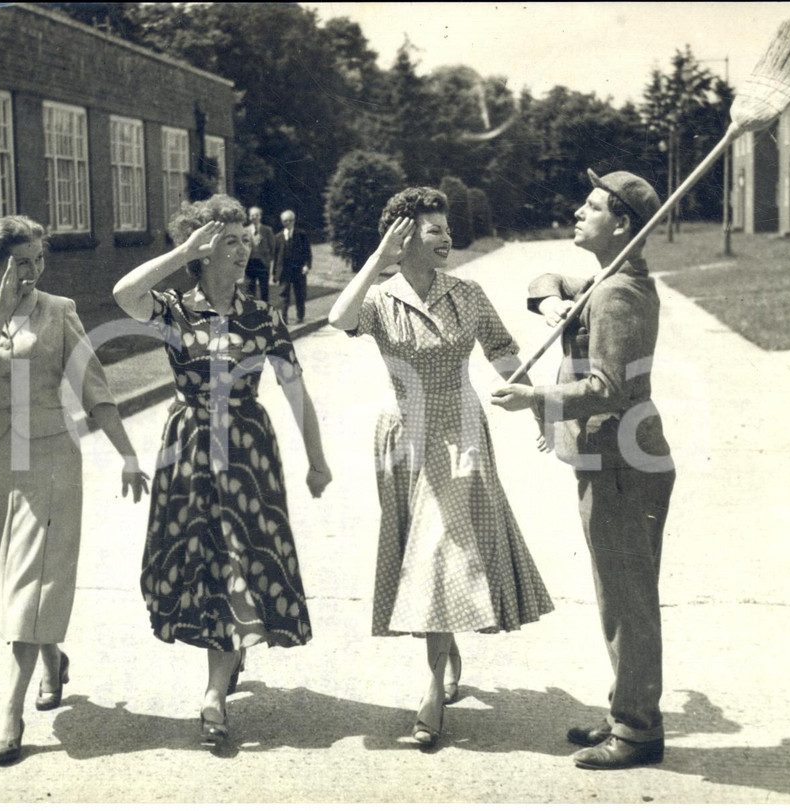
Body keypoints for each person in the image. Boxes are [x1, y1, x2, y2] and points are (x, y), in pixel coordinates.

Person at [328, 187, 554, 748]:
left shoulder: (468, 293)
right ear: (404, 240)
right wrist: (378, 260)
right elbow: (338, 318)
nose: (446, 236)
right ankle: (446, 647)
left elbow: (504, 353)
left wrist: (539, 410)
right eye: (433, 229)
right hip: (404, 436)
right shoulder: (380, 299)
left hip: (461, 435)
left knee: (438, 550)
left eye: (446, 227)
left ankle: (431, 692)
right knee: (426, 552)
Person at [112, 194, 332, 744]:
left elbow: (295, 391)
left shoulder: (264, 316)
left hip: (247, 452)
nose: (242, 249)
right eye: (228, 241)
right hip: (188, 450)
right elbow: (123, 294)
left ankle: (213, 695)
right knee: (204, 558)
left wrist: (318, 460)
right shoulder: (175, 310)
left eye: (243, 239)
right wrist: (182, 250)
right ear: (204, 251)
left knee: (237, 556)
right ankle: (225, 660)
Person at [0, 215, 149, 765]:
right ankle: (52, 658)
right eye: (23, 261)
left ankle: (9, 713)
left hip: (51, 456)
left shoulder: (61, 312)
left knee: (35, 580)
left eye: (40, 259)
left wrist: (128, 454)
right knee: (12, 581)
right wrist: (2, 313)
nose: (34, 270)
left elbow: (95, 388)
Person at [491, 169, 676, 770]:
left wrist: (536, 399)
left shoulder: (617, 292)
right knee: (618, 595)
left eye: (591, 206)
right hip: (618, 459)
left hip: (623, 461)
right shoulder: (610, 277)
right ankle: (626, 710)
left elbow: (608, 387)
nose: (577, 211)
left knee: (627, 602)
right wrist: (554, 303)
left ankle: (637, 731)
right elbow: (545, 278)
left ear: (620, 224)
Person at [272, 209, 312, 324]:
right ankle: (284, 318)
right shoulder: (278, 237)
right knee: (284, 295)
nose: (288, 223)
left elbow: (307, 252)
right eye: (285, 221)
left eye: (290, 221)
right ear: (282, 222)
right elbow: (276, 257)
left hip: (298, 269)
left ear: (294, 221)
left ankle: (300, 316)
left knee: (300, 294)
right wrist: (275, 273)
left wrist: (306, 265)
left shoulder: (301, 235)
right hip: (284, 271)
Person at [244, 206, 275, 302]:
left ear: (260, 216)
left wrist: (268, 260)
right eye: (252, 215)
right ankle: (251, 312)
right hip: (249, 263)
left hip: (263, 264)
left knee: (264, 289)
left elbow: (272, 247)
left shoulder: (267, 230)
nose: (254, 217)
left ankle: (264, 313)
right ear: (249, 217)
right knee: (249, 289)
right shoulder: (245, 231)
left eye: (256, 215)